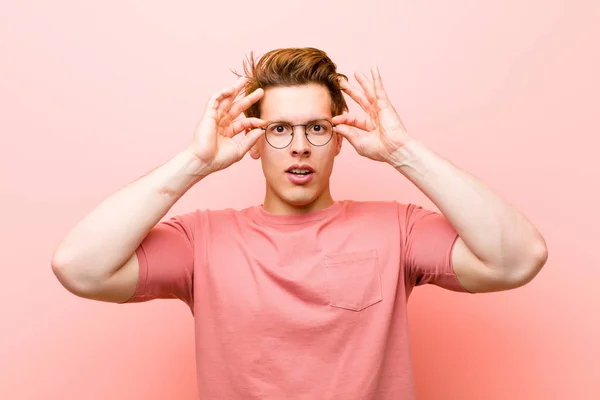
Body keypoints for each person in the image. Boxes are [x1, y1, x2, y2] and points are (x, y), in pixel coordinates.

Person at [51, 47, 548, 399]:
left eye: (316, 127)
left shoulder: (397, 229)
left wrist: (403, 153)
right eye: (279, 129)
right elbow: (80, 267)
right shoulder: (201, 240)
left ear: (337, 139)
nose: (299, 145)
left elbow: (518, 259)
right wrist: (195, 163)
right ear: (251, 141)